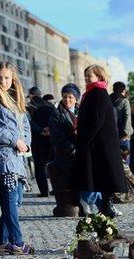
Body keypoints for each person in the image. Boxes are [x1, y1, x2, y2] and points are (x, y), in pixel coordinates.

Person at [0, 61, 34, 255]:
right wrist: (14, 141)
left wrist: (26, 143)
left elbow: (26, 126)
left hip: (18, 157)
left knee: (16, 200)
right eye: (0, 78)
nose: (3, 81)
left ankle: (1, 240)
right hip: (3, 156)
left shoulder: (15, 99)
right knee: (11, 200)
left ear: (13, 79)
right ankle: (17, 241)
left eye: (7, 77)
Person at [72, 65, 127, 218]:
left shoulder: (99, 92)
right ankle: (103, 205)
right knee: (100, 173)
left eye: (89, 75)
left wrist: (86, 138)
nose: (86, 78)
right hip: (97, 141)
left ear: (99, 77)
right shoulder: (91, 93)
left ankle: (106, 205)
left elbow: (97, 119)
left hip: (101, 141)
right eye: (86, 75)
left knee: (105, 173)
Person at [49, 83, 81, 216]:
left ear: (76, 99)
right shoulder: (57, 114)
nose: (67, 100)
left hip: (80, 155)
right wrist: (74, 151)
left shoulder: (81, 111)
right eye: (64, 97)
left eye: (70, 97)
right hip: (65, 156)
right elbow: (58, 139)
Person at [29, 89, 55, 197]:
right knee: (53, 165)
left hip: (38, 139)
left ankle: (44, 192)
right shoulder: (50, 105)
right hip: (51, 139)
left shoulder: (31, 106)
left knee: (40, 166)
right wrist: (50, 130)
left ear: (32, 96)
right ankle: (55, 189)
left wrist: (41, 130)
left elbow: (29, 122)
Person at [110, 82, 133, 154]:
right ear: (123, 90)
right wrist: (127, 133)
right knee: (125, 160)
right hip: (122, 135)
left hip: (110, 134)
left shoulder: (107, 99)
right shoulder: (125, 101)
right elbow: (127, 117)